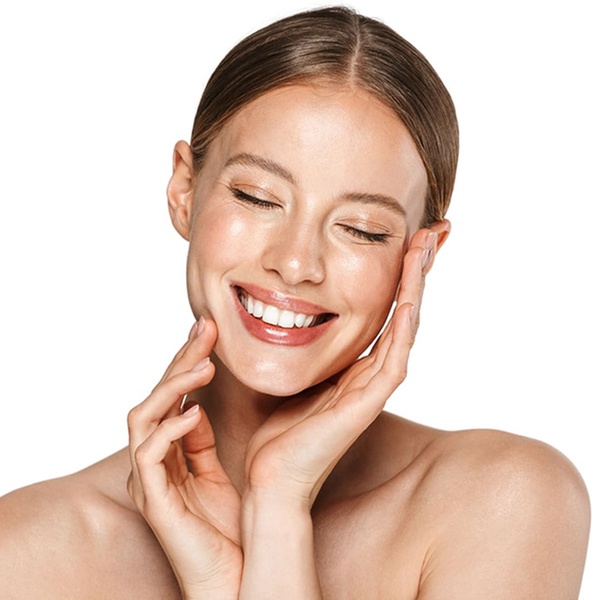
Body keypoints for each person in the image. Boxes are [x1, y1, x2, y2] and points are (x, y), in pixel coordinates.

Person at [0, 6, 590, 599]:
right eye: (258, 197)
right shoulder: (22, 554)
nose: (296, 263)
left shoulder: (504, 501)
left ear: (423, 252)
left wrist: (277, 507)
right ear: (184, 190)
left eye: (361, 229)